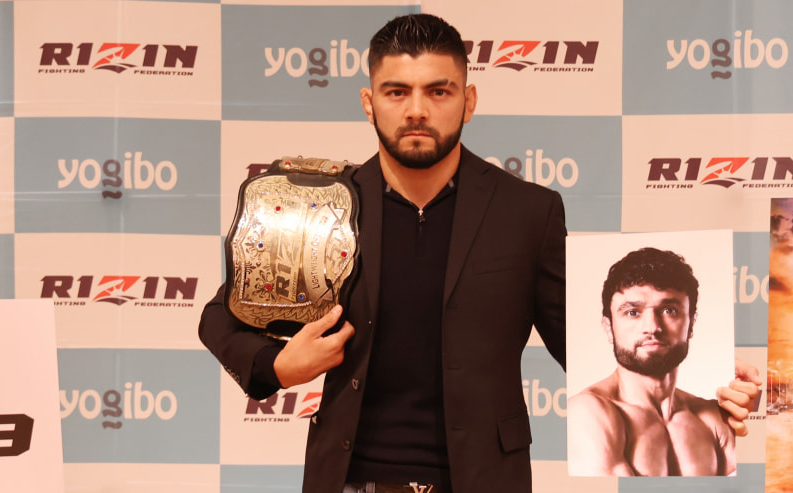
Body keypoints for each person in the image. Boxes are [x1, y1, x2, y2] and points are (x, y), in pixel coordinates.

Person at [199, 14, 760, 493]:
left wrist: (710, 378)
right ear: (369, 103)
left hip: (484, 480)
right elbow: (219, 316)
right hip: (348, 479)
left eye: (438, 91)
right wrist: (276, 366)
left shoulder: (529, 212)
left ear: (468, 101)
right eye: (397, 92)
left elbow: (589, 342)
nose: (416, 110)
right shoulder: (319, 206)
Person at [567, 247, 742, 477]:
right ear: (609, 328)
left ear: (691, 324)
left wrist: (759, 394)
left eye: (669, 310)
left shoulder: (712, 418)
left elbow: (767, 479)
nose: (652, 327)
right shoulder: (588, 413)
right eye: (633, 312)